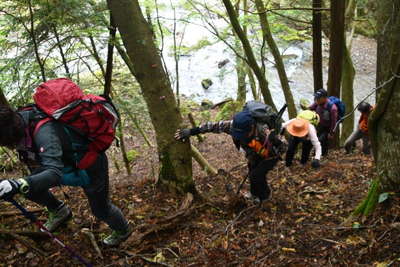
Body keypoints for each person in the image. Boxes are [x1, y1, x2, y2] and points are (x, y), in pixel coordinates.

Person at [0, 105, 132, 246]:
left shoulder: (45, 132)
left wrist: (18, 184)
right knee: (30, 187)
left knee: (100, 209)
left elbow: (53, 173)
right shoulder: (21, 122)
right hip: (66, 165)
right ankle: (59, 211)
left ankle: (123, 231)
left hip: (89, 165)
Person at [175, 101, 285, 204]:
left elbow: (283, 146)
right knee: (252, 170)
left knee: (256, 175)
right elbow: (212, 126)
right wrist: (190, 131)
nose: (239, 137)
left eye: (242, 135)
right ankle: (254, 194)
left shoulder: (264, 131)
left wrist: (274, 145)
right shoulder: (233, 126)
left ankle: (265, 196)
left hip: (270, 155)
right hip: (254, 153)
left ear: (252, 127)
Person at [309, 89, 338, 156]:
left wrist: (331, 133)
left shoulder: (333, 108)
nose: (316, 100)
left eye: (319, 98)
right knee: (317, 140)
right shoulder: (317, 102)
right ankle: (322, 154)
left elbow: (334, 122)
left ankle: (319, 155)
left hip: (327, 128)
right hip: (319, 125)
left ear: (325, 98)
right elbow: (310, 108)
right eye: (316, 98)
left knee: (320, 140)